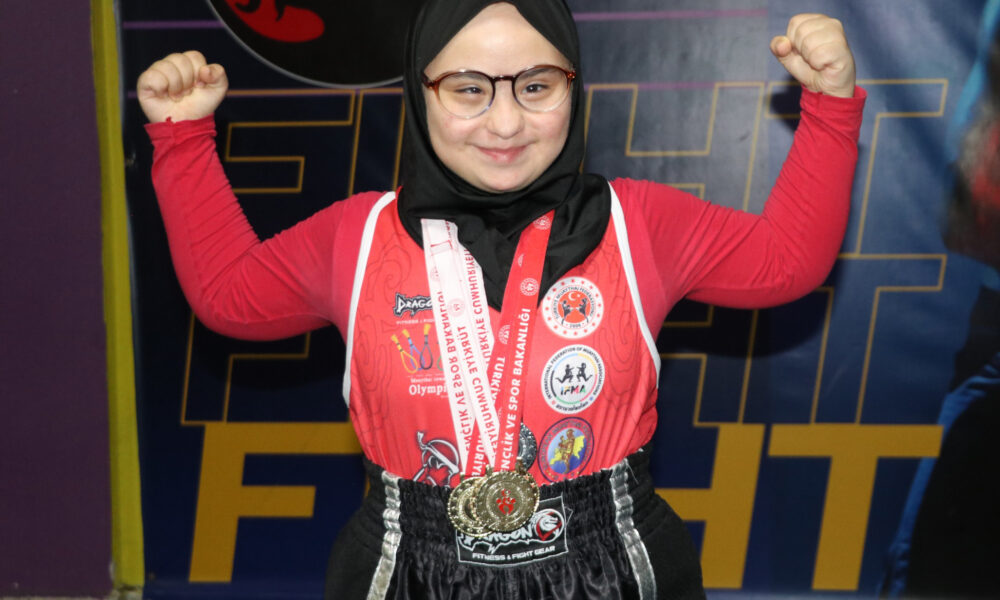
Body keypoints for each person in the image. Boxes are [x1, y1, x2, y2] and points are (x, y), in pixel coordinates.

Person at [138, 0, 864, 597]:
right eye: (468, 89)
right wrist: (182, 136)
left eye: (536, 86)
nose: (506, 123)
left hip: (613, 566)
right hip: (405, 571)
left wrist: (830, 105)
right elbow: (229, 297)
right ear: (421, 91)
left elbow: (786, 262)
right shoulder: (355, 238)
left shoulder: (638, 224)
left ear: (573, 86)